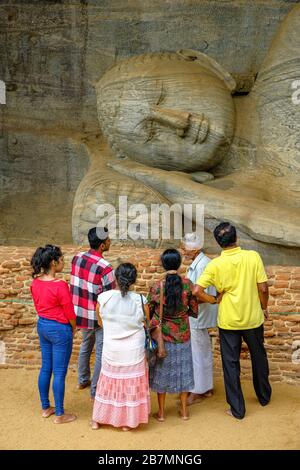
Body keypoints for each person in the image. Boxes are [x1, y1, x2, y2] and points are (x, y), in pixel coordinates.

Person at [193, 222, 272, 419]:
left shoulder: (215, 264)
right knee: (259, 357)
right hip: (253, 318)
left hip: (228, 322)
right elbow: (263, 288)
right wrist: (264, 307)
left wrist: (213, 300)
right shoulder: (252, 257)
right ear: (236, 238)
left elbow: (196, 291)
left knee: (230, 364)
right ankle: (263, 396)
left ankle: (237, 410)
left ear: (219, 243)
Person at [91, 263, 151, 431]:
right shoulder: (140, 300)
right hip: (133, 351)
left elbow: (100, 322)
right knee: (130, 385)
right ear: (133, 280)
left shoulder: (103, 298)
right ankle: (127, 421)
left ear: (116, 278)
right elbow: (146, 323)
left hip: (112, 349)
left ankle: (98, 418)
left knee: (107, 383)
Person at [147, 248, 199, 422]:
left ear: (163, 264)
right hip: (183, 334)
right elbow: (193, 310)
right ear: (179, 263)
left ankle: (161, 413)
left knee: (161, 372)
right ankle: (184, 411)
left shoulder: (157, 286)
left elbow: (150, 310)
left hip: (164, 336)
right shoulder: (188, 284)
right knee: (184, 371)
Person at [30, 244, 77, 424]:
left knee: (46, 368)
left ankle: (45, 407)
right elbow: (69, 312)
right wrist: (72, 327)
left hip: (43, 325)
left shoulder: (36, 282)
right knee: (59, 372)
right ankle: (60, 414)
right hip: (59, 329)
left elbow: (38, 304)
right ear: (53, 262)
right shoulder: (60, 285)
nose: (63, 262)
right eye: (61, 259)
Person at [70, 227, 115, 400]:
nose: (110, 241)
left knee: (86, 345)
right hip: (98, 316)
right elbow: (110, 295)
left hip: (80, 312)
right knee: (101, 352)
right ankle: (95, 389)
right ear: (103, 245)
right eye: (108, 240)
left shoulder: (77, 258)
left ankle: (82, 379)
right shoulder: (106, 268)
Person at [181, 233, 218, 406]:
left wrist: (185, 300)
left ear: (195, 249)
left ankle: (197, 390)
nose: (183, 251)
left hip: (198, 314)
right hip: (198, 314)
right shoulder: (200, 263)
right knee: (202, 350)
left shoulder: (203, 265)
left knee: (197, 352)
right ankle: (206, 387)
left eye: (185, 248)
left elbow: (204, 294)